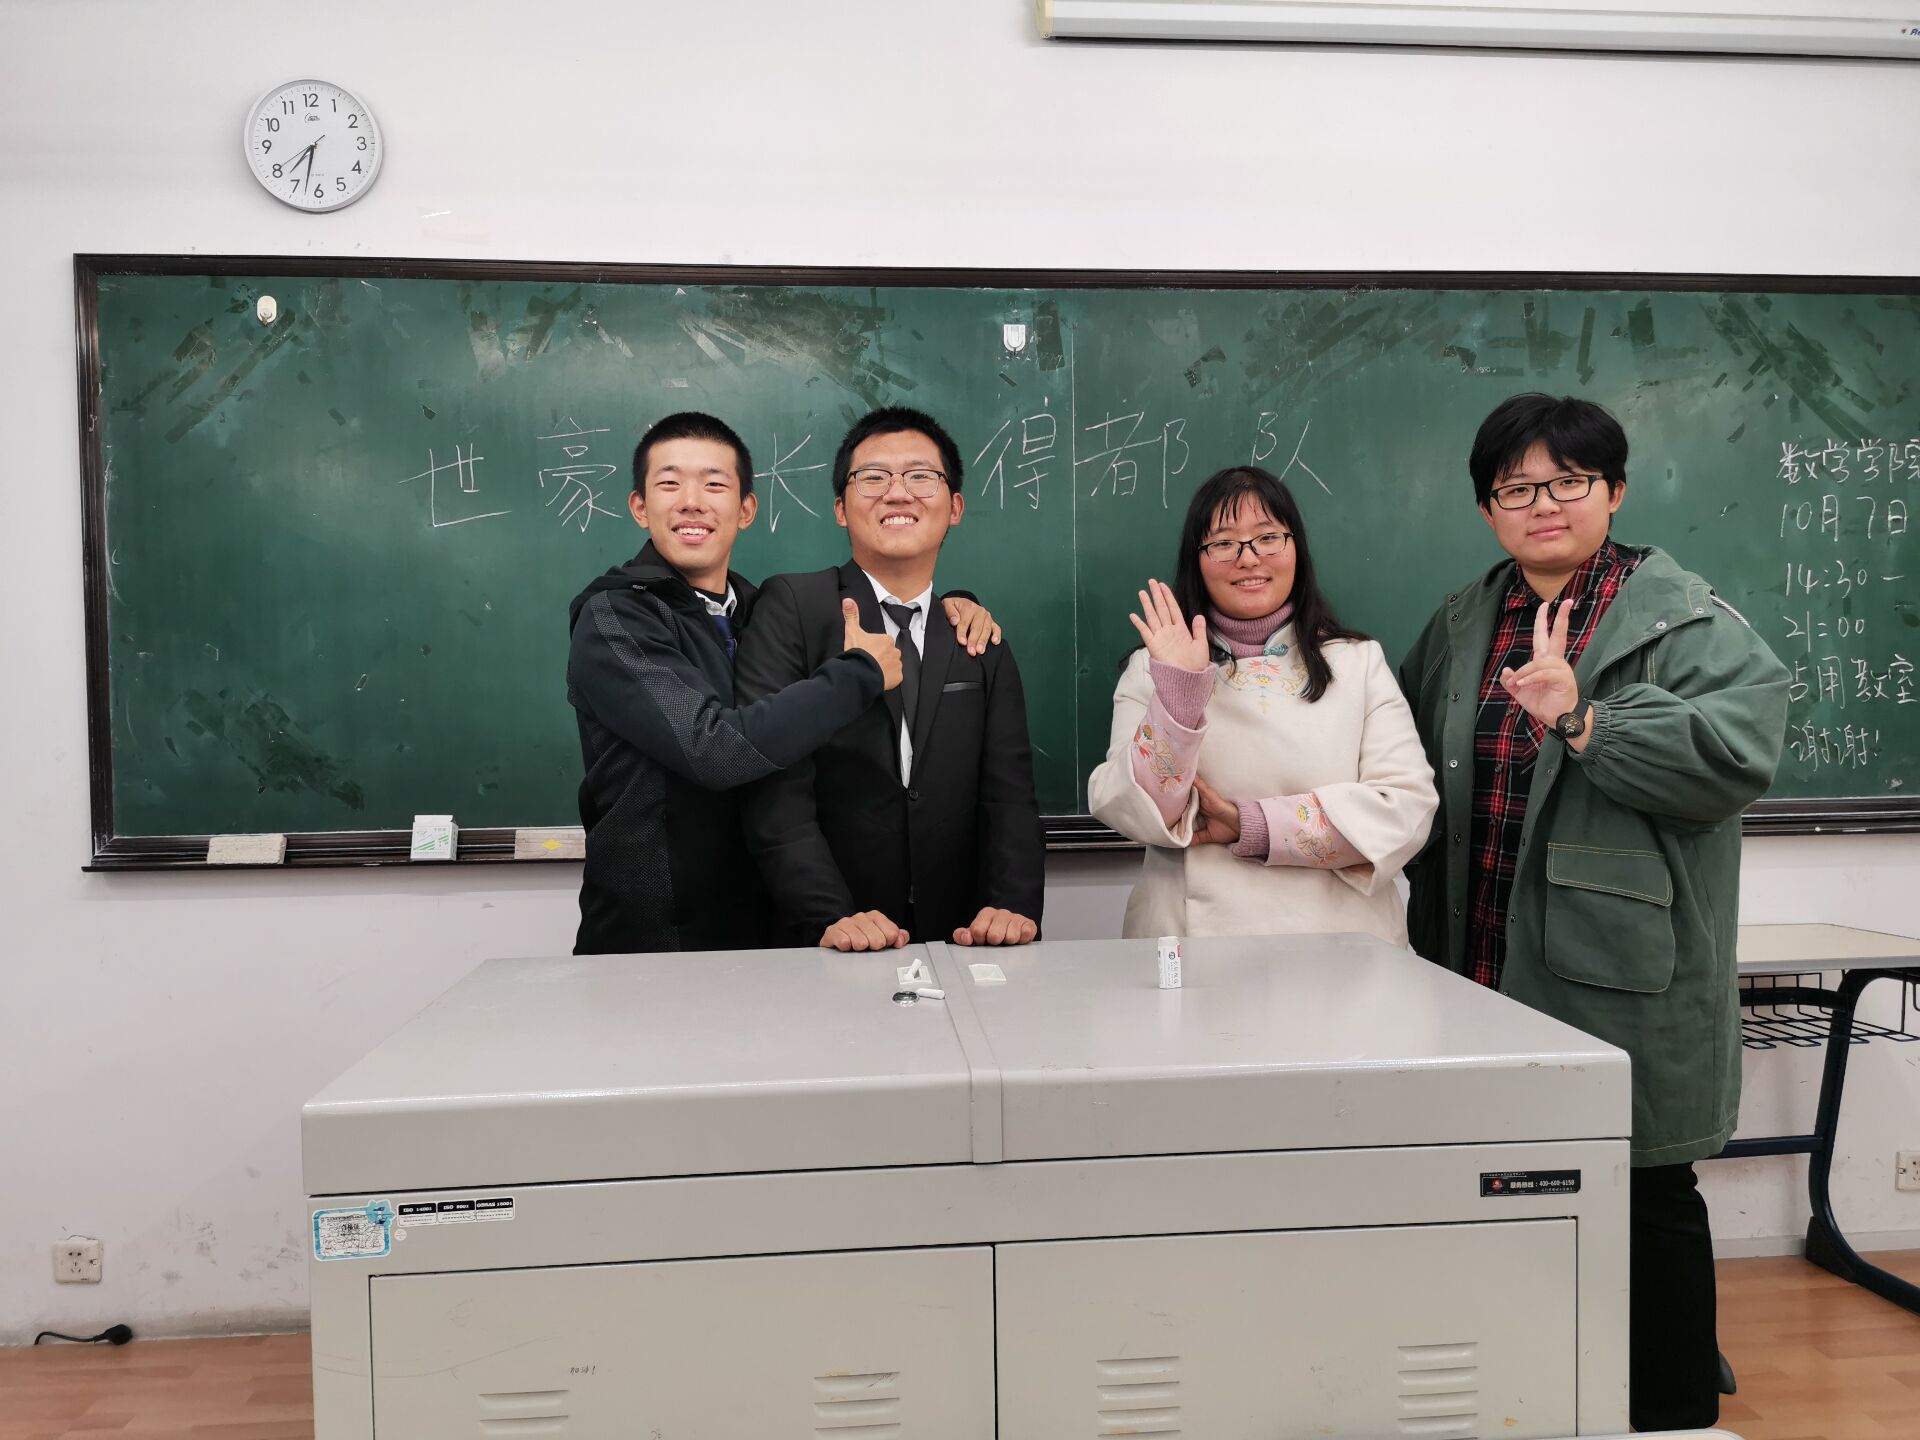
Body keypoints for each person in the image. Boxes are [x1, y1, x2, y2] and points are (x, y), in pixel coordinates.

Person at [1397, 393, 1789, 1431]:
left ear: (1614, 490)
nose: (1543, 504)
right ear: (1487, 509)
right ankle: (1531, 1400)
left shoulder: (1686, 620)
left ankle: (1670, 1419)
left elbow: (1733, 760)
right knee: (1499, 1195)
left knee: (1643, 1197)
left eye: (1568, 481)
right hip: (1475, 967)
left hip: (1619, 973)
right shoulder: (1459, 623)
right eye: (1516, 488)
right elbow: (1400, 767)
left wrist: (1583, 717)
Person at [567, 410, 998, 957]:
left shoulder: (756, 610)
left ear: (746, 509)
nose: (692, 502)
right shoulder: (615, 617)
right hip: (654, 937)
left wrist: (942, 613)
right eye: (670, 484)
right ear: (639, 506)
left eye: (714, 484)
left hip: (765, 930)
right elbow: (712, 749)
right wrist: (859, 674)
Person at [736, 406, 1045, 952]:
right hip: (830, 937)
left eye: (920, 476)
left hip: (961, 937)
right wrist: (830, 915)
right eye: (873, 477)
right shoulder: (795, 607)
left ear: (955, 508)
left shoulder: (976, 635)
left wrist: (1011, 908)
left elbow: (1011, 798)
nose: (898, 493)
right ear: (841, 508)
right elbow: (775, 788)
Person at [1087, 465, 1435, 941]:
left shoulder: (1358, 663)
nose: (1248, 558)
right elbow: (1131, 810)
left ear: (1296, 549)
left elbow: (1406, 809)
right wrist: (1180, 694)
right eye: (1223, 543)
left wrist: (1252, 825)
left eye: (1268, 537)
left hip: (1339, 946)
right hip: (1192, 945)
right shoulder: (1152, 668)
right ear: (1197, 560)